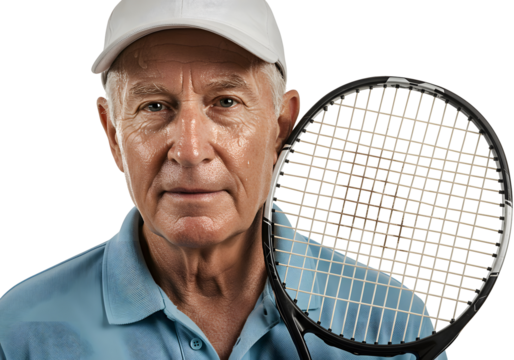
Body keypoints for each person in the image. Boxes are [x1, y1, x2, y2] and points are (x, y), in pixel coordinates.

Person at [0, 1, 449, 359]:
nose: (191, 150)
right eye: (155, 106)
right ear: (113, 134)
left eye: (226, 102)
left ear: (281, 128)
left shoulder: (391, 317)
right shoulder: (16, 331)